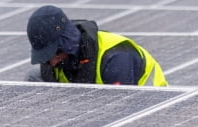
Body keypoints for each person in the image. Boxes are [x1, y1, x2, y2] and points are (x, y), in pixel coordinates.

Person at [25, 5, 168, 86]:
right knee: (34, 78)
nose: (52, 62)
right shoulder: (53, 63)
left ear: (67, 44)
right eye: (45, 57)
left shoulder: (116, 58)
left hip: (153, 113)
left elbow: (123, 111)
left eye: (54, 53)